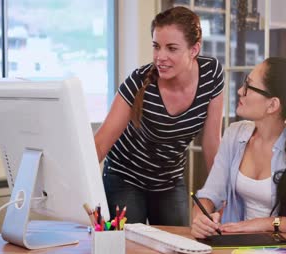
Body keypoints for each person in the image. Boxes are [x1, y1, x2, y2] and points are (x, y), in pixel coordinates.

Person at [94, 6, 224, 226]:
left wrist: (219, 194)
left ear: (194, 50)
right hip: (125, 177)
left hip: (169, 180)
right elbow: (100, 144)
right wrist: (69, 189)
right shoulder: (138, 82)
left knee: (178, 249)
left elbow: (211, 142)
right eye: (156, 46)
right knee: (130, 249)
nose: (160, 57)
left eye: (171, 48)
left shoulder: (211, 74)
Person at [191, 57, 286, 238]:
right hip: (234, 249)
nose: (241, 91)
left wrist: (264, 224)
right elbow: (209, 194)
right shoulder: (234, 135)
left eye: (249, 86)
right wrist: (201, 217)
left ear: (272, 105)